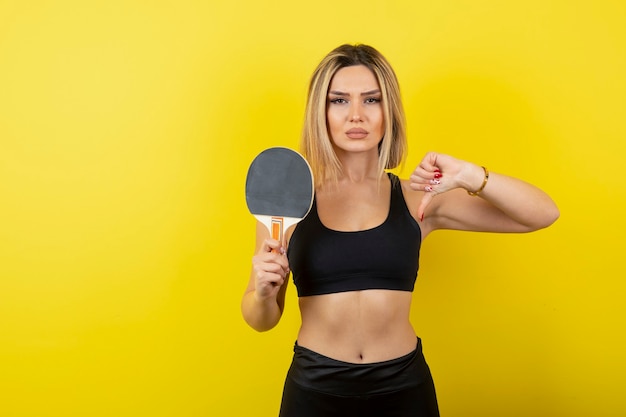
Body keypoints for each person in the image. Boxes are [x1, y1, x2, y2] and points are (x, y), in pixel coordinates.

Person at [241, 44, 559, 417]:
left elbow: (542, 213)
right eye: (339, 101)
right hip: (315, 388)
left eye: (371, 100)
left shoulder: (418, 199)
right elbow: (260, 319)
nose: (356, 115)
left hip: (404, 387)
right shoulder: (289, 202)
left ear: (388, 111)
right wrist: (263, 292)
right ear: (320, 112)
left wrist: (468, 175)